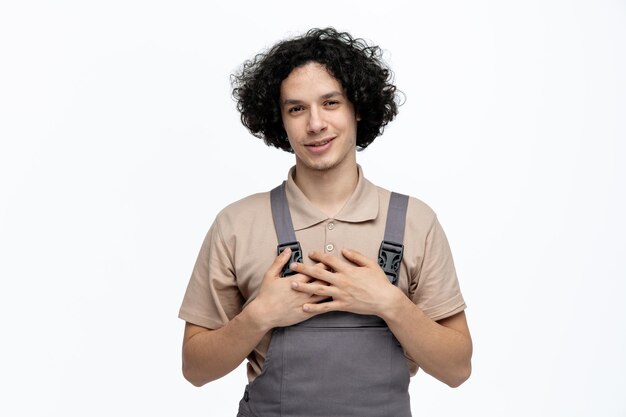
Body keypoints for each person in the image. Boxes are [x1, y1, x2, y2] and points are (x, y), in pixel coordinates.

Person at [179, 27, 472, 417]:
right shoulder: (237, 224)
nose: (315, 124)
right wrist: (258, 316)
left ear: (358, 108)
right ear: (279, 120)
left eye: (330, 103)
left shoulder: (415, 221)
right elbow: (195, 369)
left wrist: (389, 303)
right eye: (296, 108)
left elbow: (457, 369)